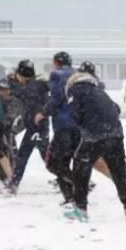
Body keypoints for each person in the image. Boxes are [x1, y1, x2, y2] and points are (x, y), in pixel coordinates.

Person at [64, 61, 126, 223]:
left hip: (95, 134)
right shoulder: (99, 90)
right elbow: (116, 109)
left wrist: (84, 125)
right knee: (118, 171)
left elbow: (74, 113)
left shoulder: (76, 89)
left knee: (80, 167)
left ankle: (81, 209)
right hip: (115, 133)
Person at [34, 51, 78, 204]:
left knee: (55, 162)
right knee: (75, 160)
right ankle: (75, 195)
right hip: (79, 125)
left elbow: (57, 98)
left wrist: (43, 113)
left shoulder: (56, 75)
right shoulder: (78, 75)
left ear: (57, 63)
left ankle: (73, 192)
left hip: (63, 125)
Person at [2, 59, 52, 195]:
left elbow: (17, 91)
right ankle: (69, 180)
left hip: (37, 126)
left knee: (24, 155)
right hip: (37, 125)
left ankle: (13, 185)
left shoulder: (31, 87)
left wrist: (10, 79)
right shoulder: (38, 84)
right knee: (48, 157)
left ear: (22, 75)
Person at [0, 79, 25, 182]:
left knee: (8, 151)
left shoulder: (14, 101)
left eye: (5, 89)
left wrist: (12, 129)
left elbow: (14, 116)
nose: (3, 92)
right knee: (1, 151)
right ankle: (0, 172)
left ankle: (9, 174)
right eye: (0, 89)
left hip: (8, 130)